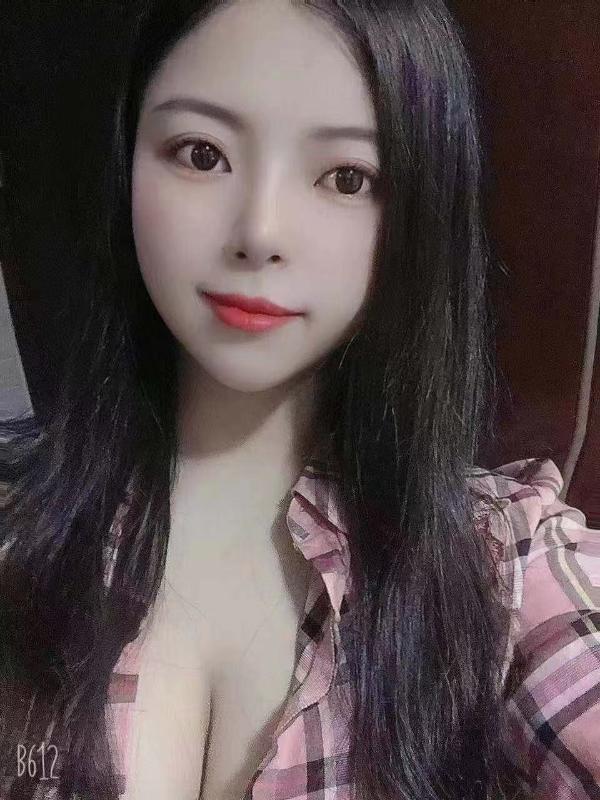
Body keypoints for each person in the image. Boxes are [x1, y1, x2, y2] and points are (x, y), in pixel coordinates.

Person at [1, 0, 598, 798]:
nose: (260, 232)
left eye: (346, 177)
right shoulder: (17, 532)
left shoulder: (502, 566)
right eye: (202, 154)